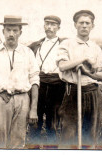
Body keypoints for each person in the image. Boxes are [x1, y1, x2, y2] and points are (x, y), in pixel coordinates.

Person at [0, 15, 40, 148]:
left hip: (22, 99)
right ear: (3, 32)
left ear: (20, 32)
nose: (11, 34)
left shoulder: (28, 52)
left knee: (18, 141)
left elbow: (35, 80)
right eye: (8, 30)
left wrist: (33, 109)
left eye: (15, 30)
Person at [56, 10, 102, 148]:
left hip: (93, 92)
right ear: (75, 25)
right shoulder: (66, 44)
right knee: (69, 133)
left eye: (87, 23)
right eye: (81, 23)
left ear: (92, 26)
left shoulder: (96, 48)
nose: (84, 26)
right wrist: (83, 59)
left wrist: (88, 72)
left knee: (91, 134)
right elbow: (62, 66)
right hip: (72, 92)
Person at [28, 15, 66, 145]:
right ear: (44, 26)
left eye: (53, 24)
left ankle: (52, 149)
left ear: (58, 27)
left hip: (57, 86)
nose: (50, 27)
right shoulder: (35, 45)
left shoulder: (64, 44)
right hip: (38, 85)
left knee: (53, 123)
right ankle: (33, 149)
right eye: (47, 24)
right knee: (34, 121)